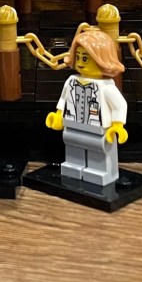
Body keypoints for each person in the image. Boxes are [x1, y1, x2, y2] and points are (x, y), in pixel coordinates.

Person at [46, 29, 128, 187]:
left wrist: (117, 125)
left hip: (98, 127)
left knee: (98, 148)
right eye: (78, 57)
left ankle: (99, 172)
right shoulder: (71, 81)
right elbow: (64, 99)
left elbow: (120, 105)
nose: (80, 63)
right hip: (72, 123)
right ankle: (73, 167)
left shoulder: (106, 87)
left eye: (85, 58)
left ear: (102, 59)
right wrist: (58, 114)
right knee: (72, 144)